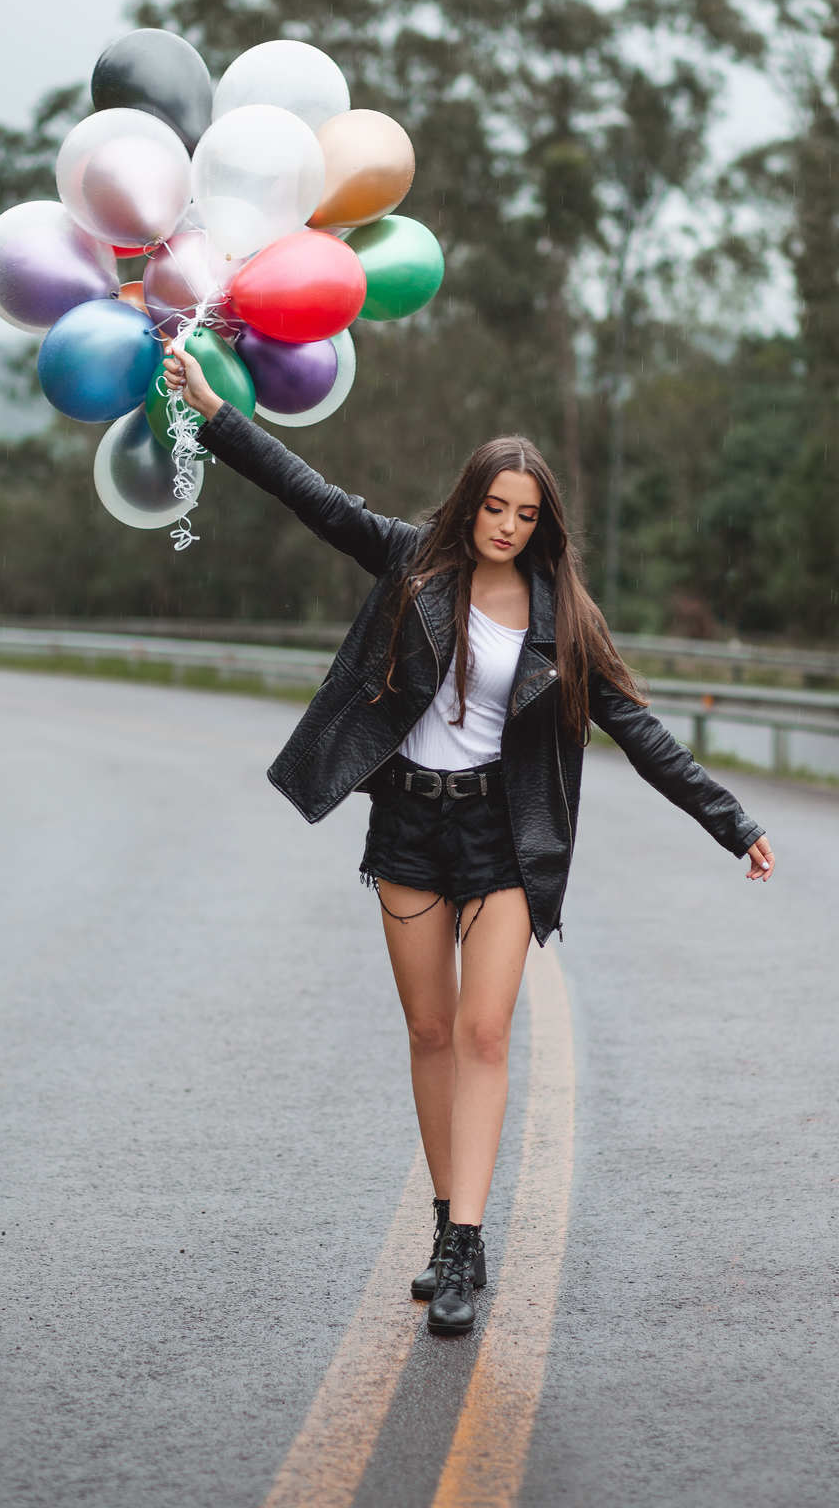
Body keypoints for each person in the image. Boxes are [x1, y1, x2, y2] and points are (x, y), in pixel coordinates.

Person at [162, 345, 775, 1336]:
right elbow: (312, 497)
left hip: (499, 834)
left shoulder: (563, 619)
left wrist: (729, 821)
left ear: (545, 525)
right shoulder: (414, 561)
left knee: (488, 1033)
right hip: (409, 821)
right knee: (431, 1033)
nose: (507, 526)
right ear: (470, 504)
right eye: (495, 507)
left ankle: (464, 1245)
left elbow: (641, 730)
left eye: (526, 515)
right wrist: (217, 412)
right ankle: (448, 1213)